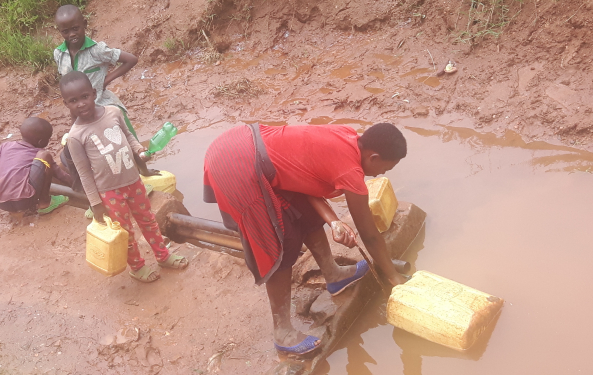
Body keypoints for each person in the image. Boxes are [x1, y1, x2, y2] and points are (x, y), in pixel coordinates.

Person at [202, 122, 409, 356]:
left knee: (305, 213)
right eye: (385, 168)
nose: (382, 173)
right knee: (280, 244)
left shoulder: (348, 136)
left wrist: (334, 221)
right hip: (236, 165)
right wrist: (393, 276)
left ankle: (334, 275)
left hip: (243, 145)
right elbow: (369, 235)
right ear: (374, 157)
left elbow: (305, 182)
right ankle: (283, 332)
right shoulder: (351, 172)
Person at [60, 72, 189, 282]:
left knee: (149, 221)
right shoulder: (76, 136)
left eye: (84, 97)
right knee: (125, 232)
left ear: (94, 94)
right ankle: (137, 268)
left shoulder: (113, 113)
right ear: (66, 104)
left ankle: (163, 256)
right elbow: (84, 172)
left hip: (133, 183)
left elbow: (128, 136)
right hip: (109, 192)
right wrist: (95, 203)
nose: (81, 104)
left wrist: (139, 151)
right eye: (74, 101)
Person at [52, 4, 152, 190]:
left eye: (75, 28)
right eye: (65, 31)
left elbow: (131, 59)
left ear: (85, 24)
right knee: (94, 148)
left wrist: (107, 79)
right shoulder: (59, 54)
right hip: (80, 111)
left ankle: (144, 171)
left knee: (125, 137)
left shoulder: (97, 50)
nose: (71, 34)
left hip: (103, 104)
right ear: (59, 31)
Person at [0, 117, 73, 215]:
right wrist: (77, 184)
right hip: (25, 200)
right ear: (41, 142)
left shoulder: (6, 145)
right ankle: (45, 202)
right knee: (44, 156)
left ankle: (4, 192)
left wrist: (4, 178)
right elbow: (60, 175)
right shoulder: (38, 152)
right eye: (48, 139)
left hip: (0, 202)